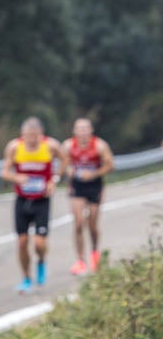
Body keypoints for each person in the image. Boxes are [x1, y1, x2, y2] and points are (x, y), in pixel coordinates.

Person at [0, 117, 66, 293]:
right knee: (22, 241)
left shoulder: (50, 146)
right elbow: (5, 172)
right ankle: (26, 278)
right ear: (22, 135)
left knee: (39, 243)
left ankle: (42, 262)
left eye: (35, 136)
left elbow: (65, 161)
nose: (31, 139)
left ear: (41, 135)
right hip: (22, 199)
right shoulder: (14, 147)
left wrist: (54, 179)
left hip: (42, 200)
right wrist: (16, 177)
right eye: (28, 136)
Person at [65, 117, 114, 275]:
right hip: (77, 186)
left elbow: (110, 165)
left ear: (91, 131)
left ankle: (94, 253)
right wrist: (68, 171)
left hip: (94, 186)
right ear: (74, 131)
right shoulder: (68, 145)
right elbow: (63, 164)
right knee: (78, 223)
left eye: (86, 129)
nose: (83, 132)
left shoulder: (100, 145)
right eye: (80, 129)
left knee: (92, 224)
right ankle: (80, 260)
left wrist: (93, 174)